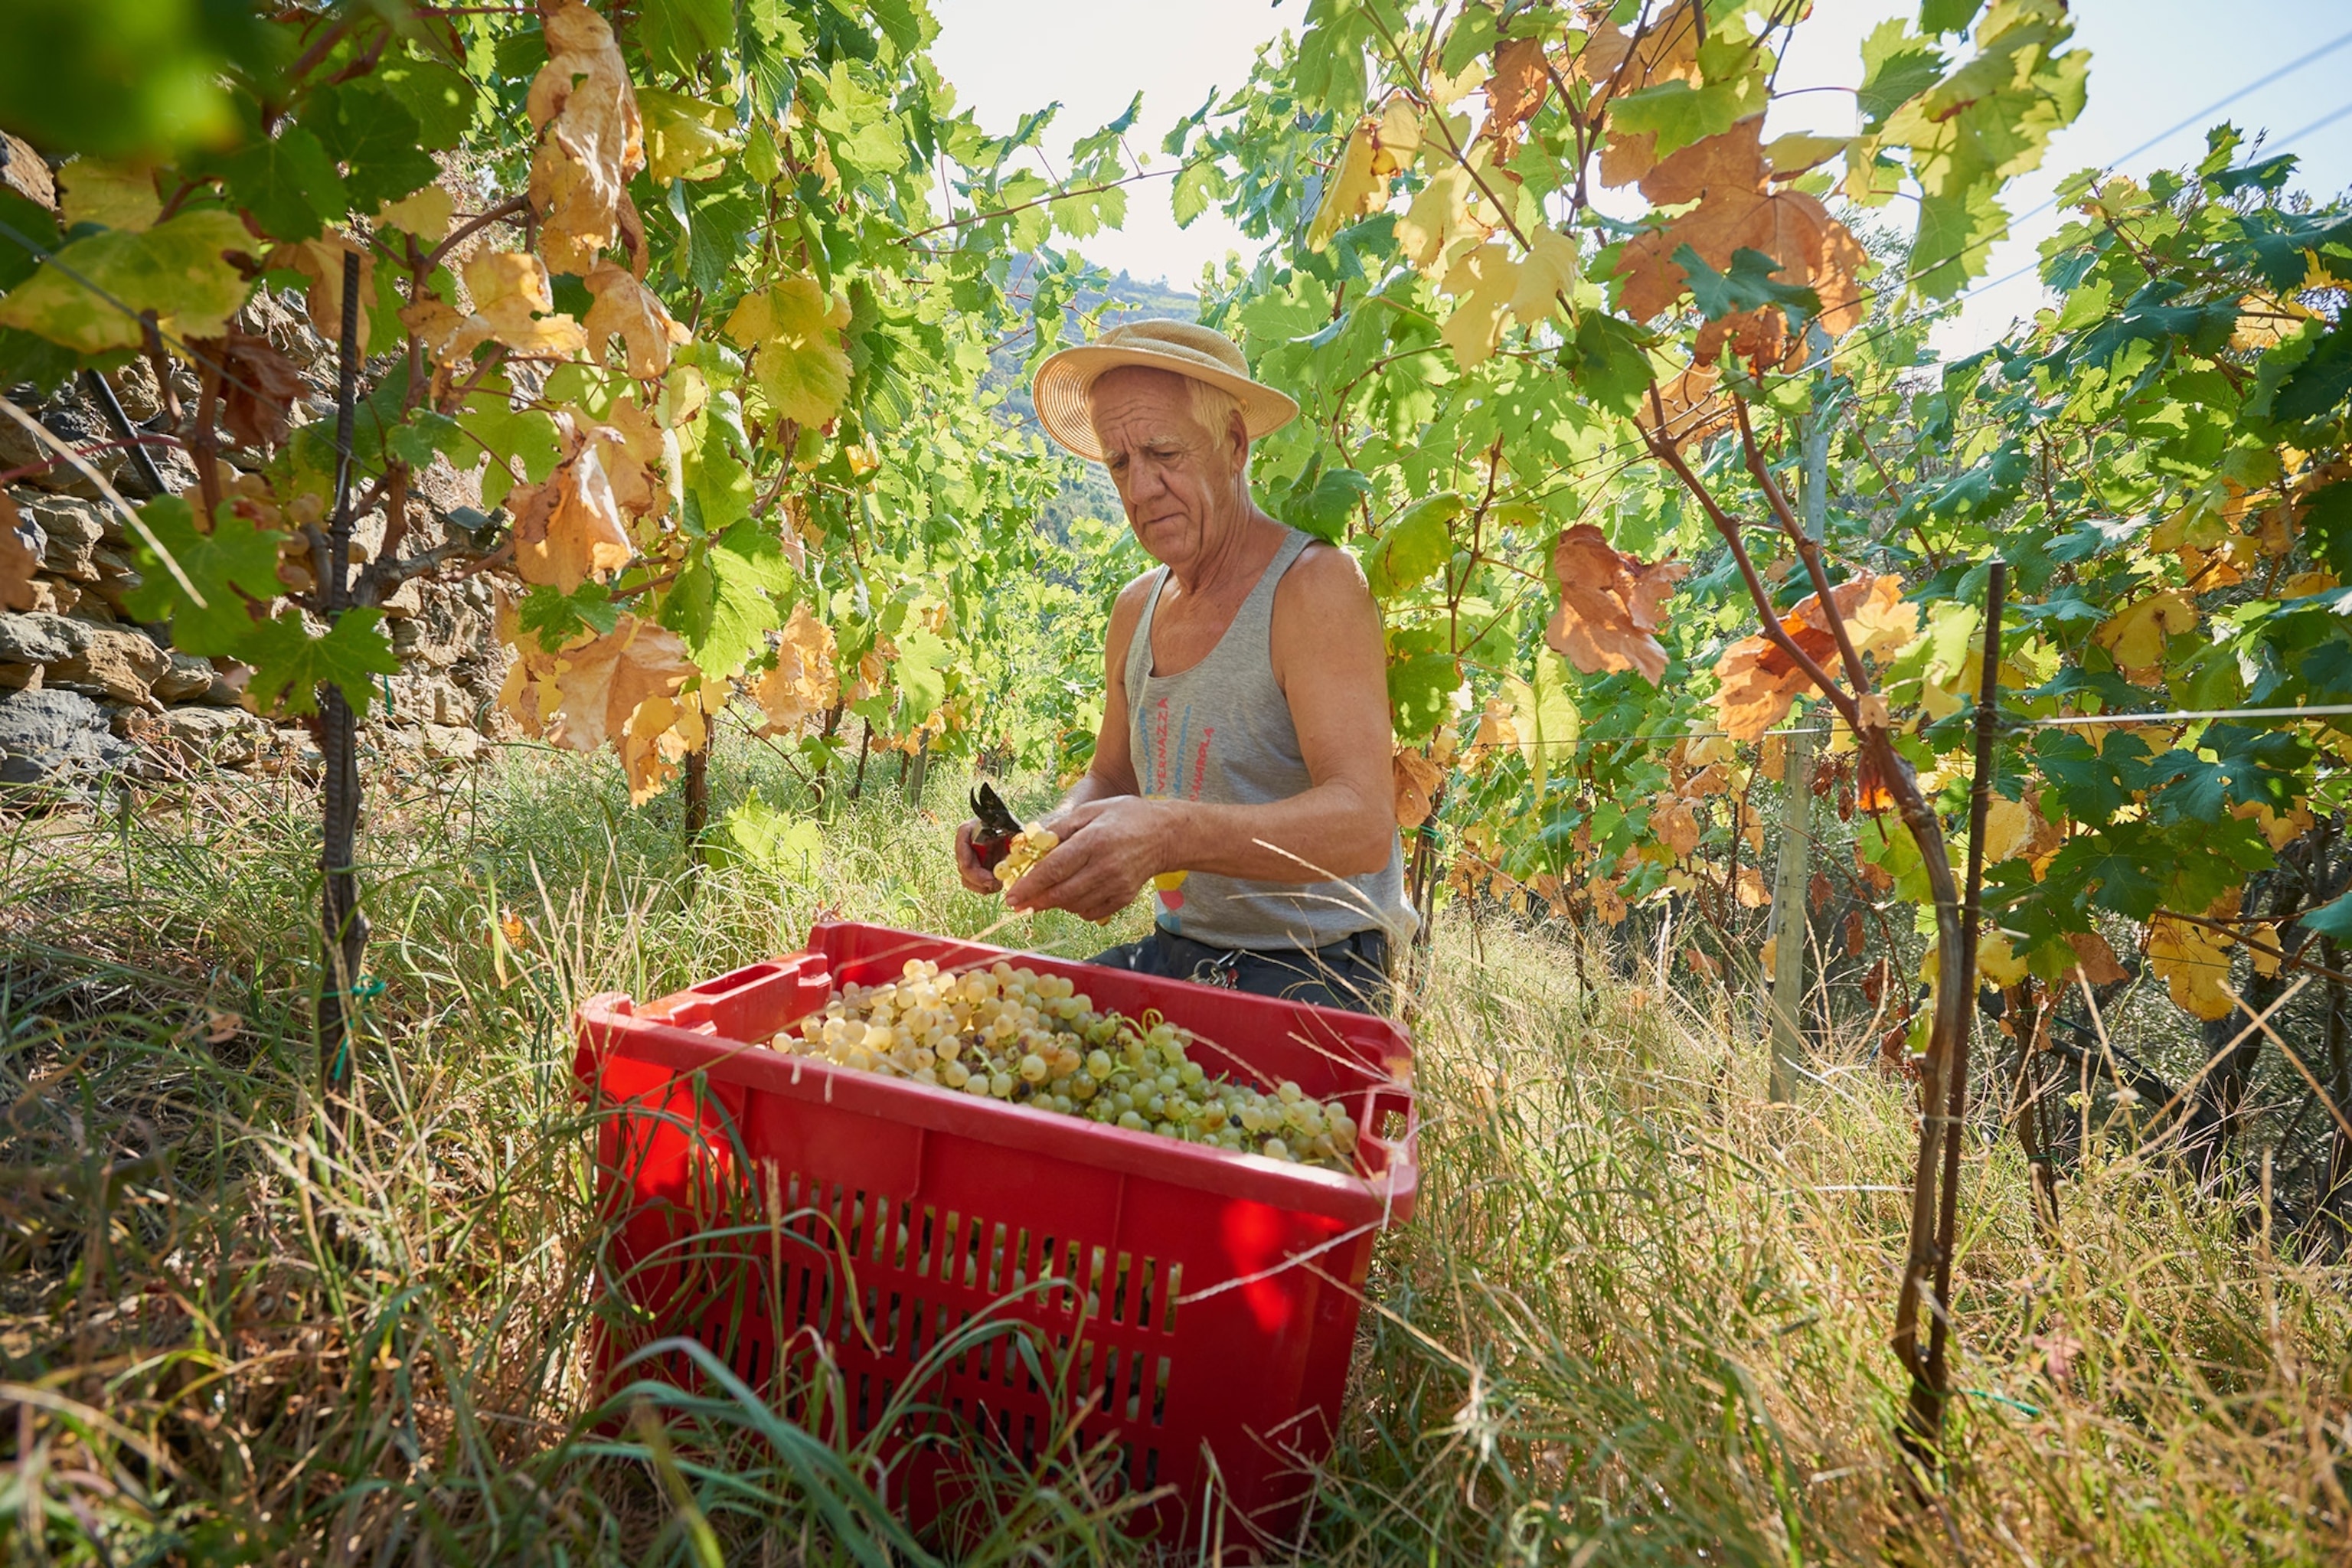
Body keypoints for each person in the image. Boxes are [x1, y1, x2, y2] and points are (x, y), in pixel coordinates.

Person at [953, 319, 1416, 1012]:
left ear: (1233, 445)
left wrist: (1171, 831)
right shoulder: (1134, 610)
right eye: (1118, 462)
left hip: (1322, 970)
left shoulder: (1315, 588)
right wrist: (1038, 840)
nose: (1141, 488)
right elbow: (1113, 777)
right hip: (1181, 951)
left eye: (1163, 452)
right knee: (983, 1023)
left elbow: (1362, 822)